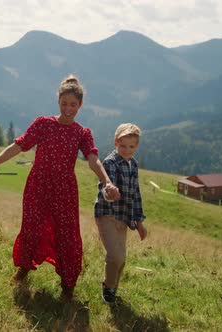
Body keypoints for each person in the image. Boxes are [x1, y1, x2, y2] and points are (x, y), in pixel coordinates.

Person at [0, 75, 120, 301]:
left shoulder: (81, 133)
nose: (68, 109)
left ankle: (67, 287)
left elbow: (93, 159)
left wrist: (107, 181)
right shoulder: (43, 124)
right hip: (37, 185)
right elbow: (19, 145)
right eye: (64, 103)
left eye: (73, 105)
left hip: (65, 190)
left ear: (80, 105)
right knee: (31, 227)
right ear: (58, 101)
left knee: (67, 235)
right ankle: (24, 269)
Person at [94, 123, 147, 305]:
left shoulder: (133, 165)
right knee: (115, 255)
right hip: (107, 214)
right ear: (116, 142)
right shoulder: (110, 162)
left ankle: (113, 289)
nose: (127, 150)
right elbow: (104, 186)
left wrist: (139, 222)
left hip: (123, 217)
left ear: (136, 146)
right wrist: (109, 193)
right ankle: (108, 288)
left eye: (131, 146)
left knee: (122, 259)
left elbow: (135, 194)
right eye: (123, 145)